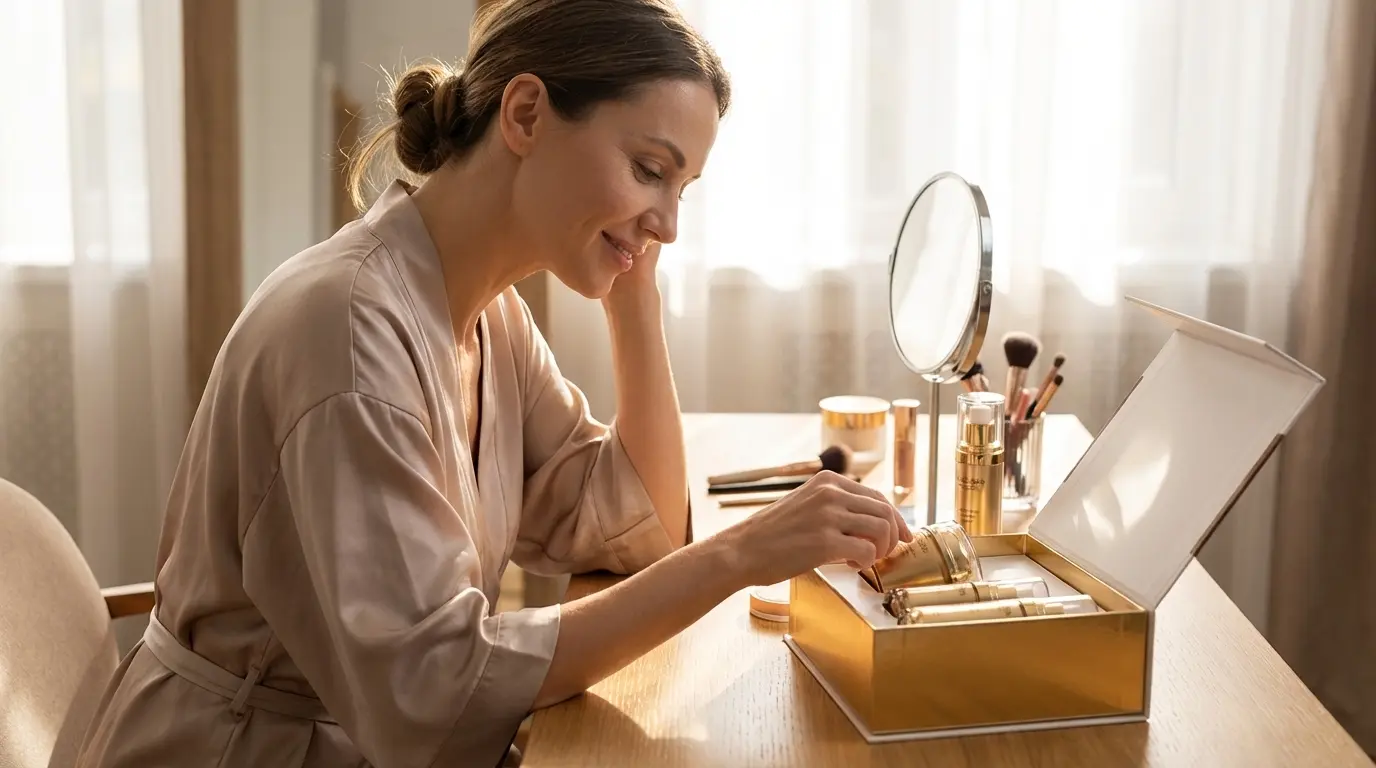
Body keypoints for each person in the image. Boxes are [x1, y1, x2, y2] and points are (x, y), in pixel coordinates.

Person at [75, 1, 911, 766]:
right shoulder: (350, 332)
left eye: (682, 189)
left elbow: (639, 528)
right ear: (525, 115)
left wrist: (636, 301)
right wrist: (742, 552)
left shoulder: (486, 313)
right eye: (649, 169)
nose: (670, 222)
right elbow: (431, 697)